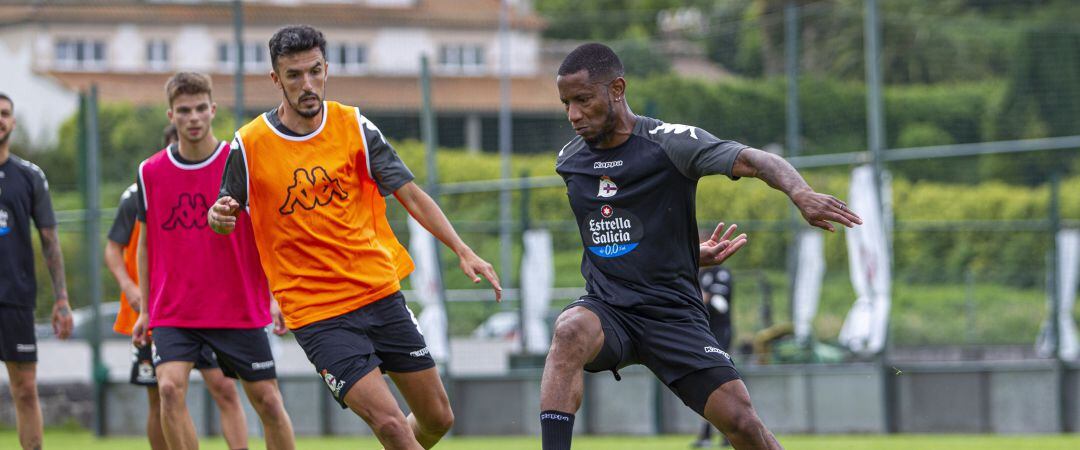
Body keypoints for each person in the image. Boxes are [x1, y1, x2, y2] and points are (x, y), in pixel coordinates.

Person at [540, 43, 862, 450]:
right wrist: (685, 251)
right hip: (610, 311)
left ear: (617, 89)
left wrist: (801, 193)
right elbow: (612, 228)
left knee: (742, 423)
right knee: (569, 330)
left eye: (583, 100)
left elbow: (755, 160)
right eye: (566, 103)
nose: (573, 115)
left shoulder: (669, 143)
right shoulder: (570, 161)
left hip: (673, 316)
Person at [208, 25, 500, 450]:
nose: (307, 84)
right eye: (294, 75)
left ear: (327, 68)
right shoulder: (249, 144)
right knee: (392, 426)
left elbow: (412, 196)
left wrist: (462, 249)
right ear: (276, 79)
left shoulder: (355, 125)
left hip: (379, 293)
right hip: (316, 312)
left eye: (315, 71)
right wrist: (219, 217)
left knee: (437, 418)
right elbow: (223, 212)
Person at [130, 72, 296, 450]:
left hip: (237, 308)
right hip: (175, 311)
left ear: (213, 110)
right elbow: (145, 243)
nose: (193, 117)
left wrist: (274, 296)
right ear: (171, 115)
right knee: (169, 389)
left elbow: (269, 235)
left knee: (269, 402)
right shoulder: (149, 171)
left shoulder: (240, 162)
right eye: (184, 110)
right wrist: (144, 309)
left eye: (200, 108)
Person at [103, 124, 250, 450]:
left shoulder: (220, 188)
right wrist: (131, 287)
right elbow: (114, 248)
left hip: (206, 308)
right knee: (161, 394)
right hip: (159, 311)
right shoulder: (139, 192)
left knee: (225, 388)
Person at [0, 92, 74, 450]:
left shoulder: (29, 176)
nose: (0, 119)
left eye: (4, 113)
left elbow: (49, 240)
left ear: (13, 122)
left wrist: (61, 298)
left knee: (25, 389)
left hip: (14, 298)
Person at [693, 262, 737, 448]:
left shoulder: (721, 274)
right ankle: (708, 435)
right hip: (704, 333)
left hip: (720, 334)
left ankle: (726, 433)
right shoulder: (700, 274)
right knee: (708, 383)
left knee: (719, 381)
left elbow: (717, 302)